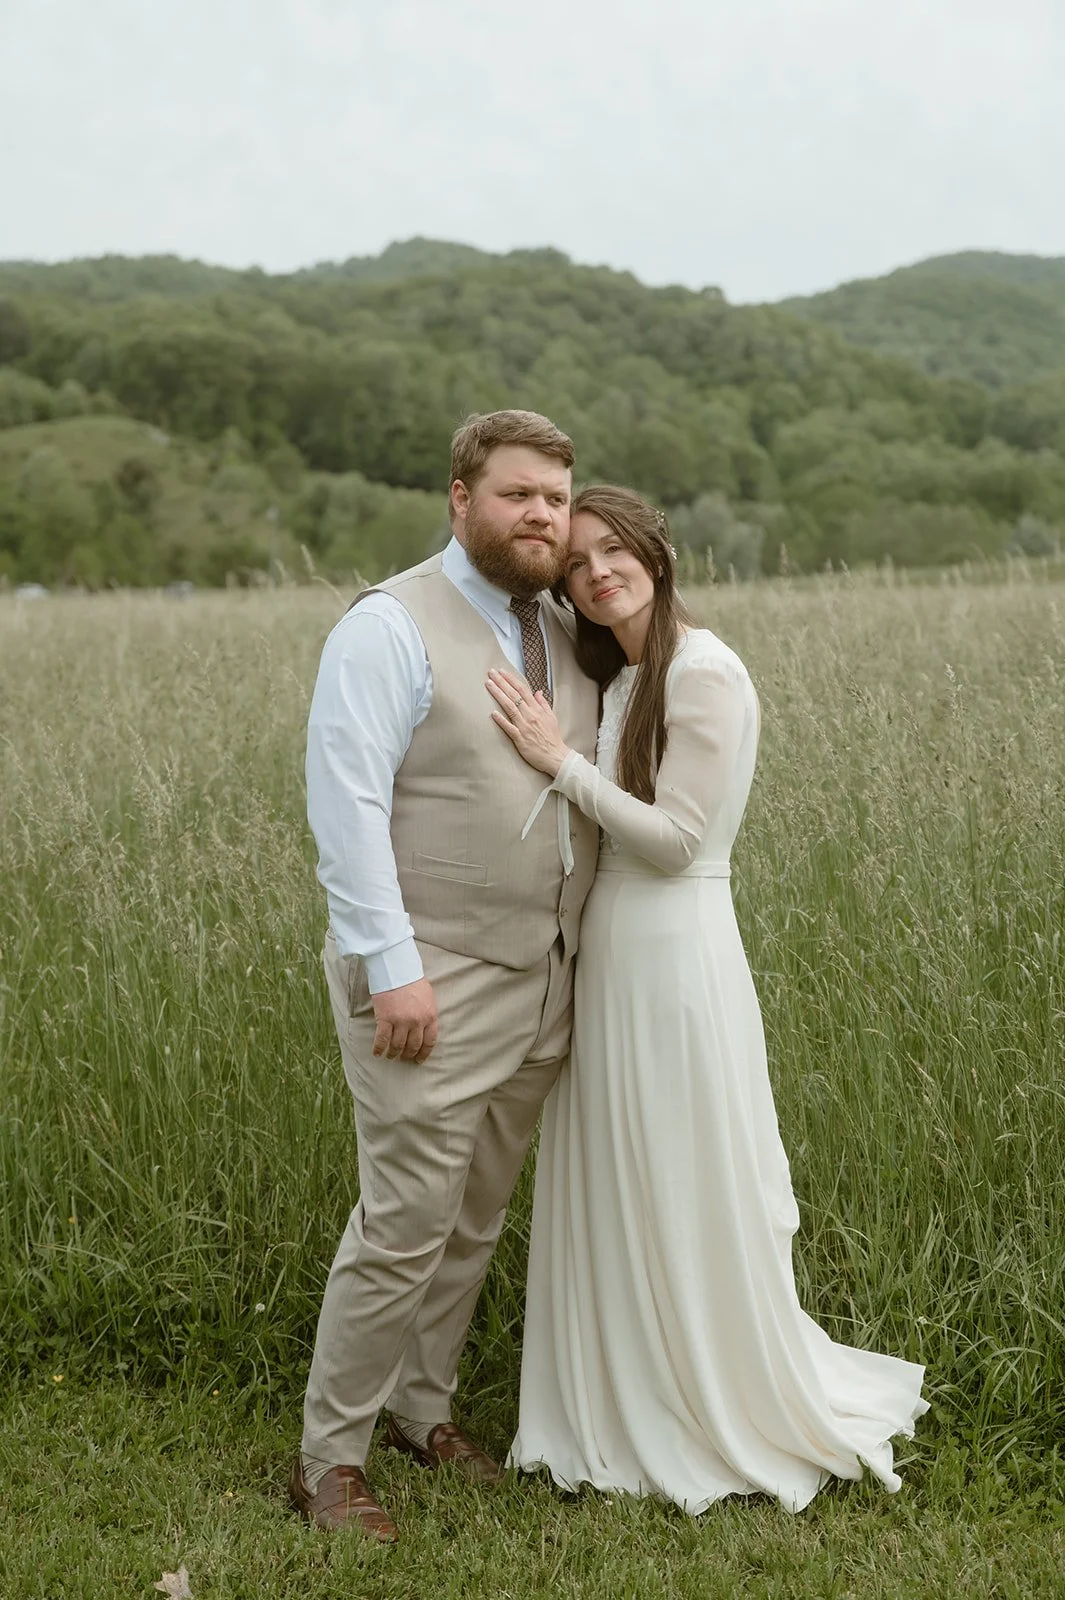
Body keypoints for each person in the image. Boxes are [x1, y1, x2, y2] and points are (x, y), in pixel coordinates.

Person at [488, 484, 928, 1514]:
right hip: (617, 953)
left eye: (614, 551)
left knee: (679, 1165)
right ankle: (621, 1382)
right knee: (622, 1165)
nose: (597, 572)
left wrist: (557, 762)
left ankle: (702, 1396)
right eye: (578, 562)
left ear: (655, 550)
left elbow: (679, 839)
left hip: (676, 950)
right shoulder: (634, 671)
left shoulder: (705, 669)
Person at [294, 411, 601, 1541]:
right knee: (404, 1220)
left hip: (541, 977)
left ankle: (423, 1409)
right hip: (430, 978)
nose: (541, 516)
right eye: (518, 494)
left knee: (474, 1215)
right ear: (461, 498)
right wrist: (394, 967)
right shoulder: (390, 625)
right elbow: (348, 803)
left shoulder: (563, 627)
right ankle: (331, 1455)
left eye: (556, 500)